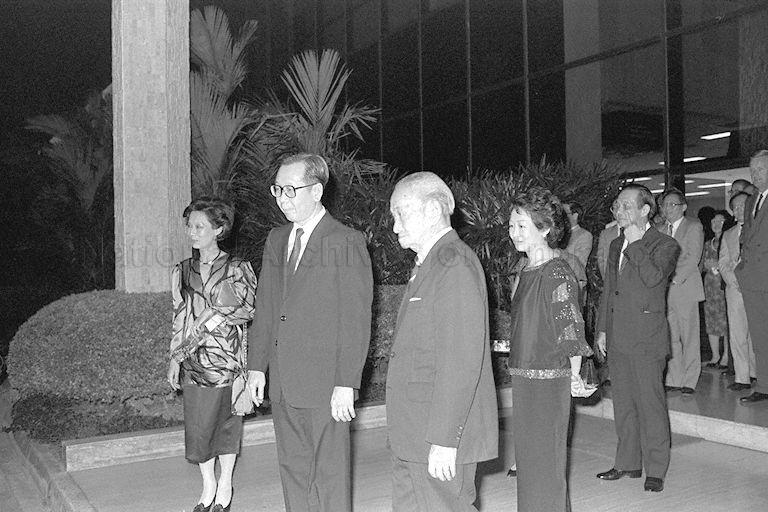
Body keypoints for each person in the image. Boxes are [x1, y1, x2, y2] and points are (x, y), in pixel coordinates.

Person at [246, 154, 373, 511]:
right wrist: (256, 366)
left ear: (316, 190)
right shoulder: (276, 239)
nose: (282, 198)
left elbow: (355, 319)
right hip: (284, 381)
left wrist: (346, 382)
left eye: (290, 190)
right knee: (293, 471)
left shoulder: (346, 241)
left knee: (330, 478)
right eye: (277, 190)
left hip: (325, 384)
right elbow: (267, 308)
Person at [386, 172, 498, 512]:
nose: (394, 226)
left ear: (433, 211)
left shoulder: (455, 264)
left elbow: (460, 360)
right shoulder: (432, 263)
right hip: (414, 431)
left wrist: (445, 439)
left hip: (435, 433)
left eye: (399, 214)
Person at [167, 197, 258, 512]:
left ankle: (225, 484)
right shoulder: (181, 270)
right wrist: (174, 358)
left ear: (219, 229)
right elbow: (179, 316)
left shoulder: (237, 268)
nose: (192, 232)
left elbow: (249, 310)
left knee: (227, 425)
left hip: (228, 361)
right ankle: (207, 485)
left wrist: (221, 314)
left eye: (199, 226)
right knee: (199, 426)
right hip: (194, 363)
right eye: (189, 226)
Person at [507, 186, 594, 512]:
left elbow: (569, 325)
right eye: (511, 225)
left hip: (548, 381)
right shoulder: (526, 271)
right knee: (530, 464)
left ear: (545, 229)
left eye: (521, 226)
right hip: (525, 379)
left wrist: (575, 376)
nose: (513, 233)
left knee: (545, 463)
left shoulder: (556, 271)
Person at [595, 184, 680, 493]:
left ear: (646, 210)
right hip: (618, 336)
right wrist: (603, 329)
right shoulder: (616, 244)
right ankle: (627, 462)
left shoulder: (665, 244)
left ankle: (656, 468)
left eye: (627, 206)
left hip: (647, 338)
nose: (620, 211)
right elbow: (610, 290)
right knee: (624, 405)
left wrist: (636, 243)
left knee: (651, 405)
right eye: (618, 206)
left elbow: (654, 279)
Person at [659, 188, 704, 394]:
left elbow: (693, 257)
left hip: (684, 288)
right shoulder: (660, 230)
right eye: (665, 205)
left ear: (683, 207)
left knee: (689, 336)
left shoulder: (693, 226)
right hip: (664, 291)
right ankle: (674, 378)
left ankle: (690, 380)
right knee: (671, 337)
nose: (667, 209)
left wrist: (673, 279)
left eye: (672, 204)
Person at [737, 150, 768, 404]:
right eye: (752, 170)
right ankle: (764, 385)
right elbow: (746, 234)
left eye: (760, 169)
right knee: (759, 334)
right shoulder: (752, 199)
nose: (754, 175)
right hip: (752, 278)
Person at [719, 193, 755, 392]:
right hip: (735, 289)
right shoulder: (729, 233)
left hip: (757, 288)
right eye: (736, 206)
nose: (740, 209)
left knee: (757, 333)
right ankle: (743, 377)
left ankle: (758, 372)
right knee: (738, 333)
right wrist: (735, 281)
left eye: (744, 205)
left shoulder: (759, 229)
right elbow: (723, 262)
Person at [702, 210, 730, 369]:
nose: (716, 224)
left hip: (724, 287)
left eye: (720, 221)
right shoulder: (707, 244)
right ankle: (715, 356)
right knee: (711, 321)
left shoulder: (729, 241)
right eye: (714, 221)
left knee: (725, 322)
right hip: (710, 289)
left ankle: (726, 356)